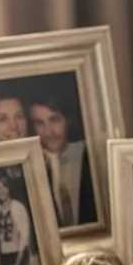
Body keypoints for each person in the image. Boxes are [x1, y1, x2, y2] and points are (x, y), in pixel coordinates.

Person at [29, 95, 95, 227]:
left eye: (54, 120)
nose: (48, 132)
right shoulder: (30, 166)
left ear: (68, 119)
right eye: (39, 123)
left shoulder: (90, 154)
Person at [0, 175, 33, 265]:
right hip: (4, 256)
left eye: (3, 187)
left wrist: (18, 263)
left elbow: (24, 236)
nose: (1, 191)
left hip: (19, 254)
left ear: (8, 188)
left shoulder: (18, 207)